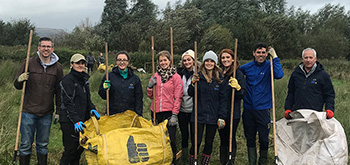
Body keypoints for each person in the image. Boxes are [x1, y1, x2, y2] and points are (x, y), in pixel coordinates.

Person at [14, 37, 63, 165]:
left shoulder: (58, 68)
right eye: (43, 46)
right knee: (25, 144)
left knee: (43, 145)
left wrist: (58, 111)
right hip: (28, 111)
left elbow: (59, 91)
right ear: (38, 48)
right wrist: (20, 79)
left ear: (52, 49)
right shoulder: (28, 63)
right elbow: (17, 86)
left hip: (46, 113)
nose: (46, 49)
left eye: (48, 46)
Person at [239, 43, 284, 165]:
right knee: (250, 137)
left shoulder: (269, 66)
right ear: (254, 53)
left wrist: (275, 57)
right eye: (258, 52)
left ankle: (263, 161)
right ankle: (252, 161)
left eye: (263, 52)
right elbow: (236, 73)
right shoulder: (246, 67)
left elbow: (279, 75)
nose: (261, 55)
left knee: (264, 139)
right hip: (248, 108)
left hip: (263, 109)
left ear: (266, 54)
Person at [188, 50, 229, 165]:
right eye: (207, 61)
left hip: (213, 115)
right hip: (198, 115)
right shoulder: (198, 77)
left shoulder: (220, 80)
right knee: (196, 142)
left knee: (209, 142)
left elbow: (223, 100)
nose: (209, 63)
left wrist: (221, 117)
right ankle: (193, 162)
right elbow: (190, 93)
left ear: (215, 63)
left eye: (212, 61)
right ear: (204, 63)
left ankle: (205, 163)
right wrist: (192, 84)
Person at [59, 54, 101, 165]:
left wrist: (92, 108)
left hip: (82, 119)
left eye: (82, 63)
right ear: (71, 64)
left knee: (79, 149)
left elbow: (87, 98)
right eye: (77, 63)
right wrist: (76, 120)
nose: (80, 65)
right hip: (69, 120)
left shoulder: (84, 79)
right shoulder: (67, 80)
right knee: (70, 150)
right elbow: (68, 102)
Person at [146, 50, 183, 164]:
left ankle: (172, 161)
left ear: (169, 61)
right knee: (157, 138)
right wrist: (149, 86)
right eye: (161, 60)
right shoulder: (155, 76)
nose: (163, 62)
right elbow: (150, 95)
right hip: (156, 111)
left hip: (169, 112)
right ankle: (159, 159)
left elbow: (178, 97)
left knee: (170, 139)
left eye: (165, 60)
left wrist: (174, 114)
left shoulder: (176, 77)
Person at [284, 48, 335, 119]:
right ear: (302, 59)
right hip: (298, 114)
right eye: (306, 57)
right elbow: (291, 93)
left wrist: (329, 109)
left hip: (315, 114)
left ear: (315, 59)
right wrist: (288, 108)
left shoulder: (323, 75)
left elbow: (329, 94)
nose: (308, 60)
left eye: (311, 57)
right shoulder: (295, 74)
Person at [218, 49, 246, 164]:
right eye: (223, 58)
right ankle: (222, 160)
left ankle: (230, 159)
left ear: (233, 59)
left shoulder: (237, 73)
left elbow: (242, 93)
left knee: (230, 137)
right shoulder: (219, 73)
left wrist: (238, 88)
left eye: (228, 57)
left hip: (233, 112)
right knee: (222, 138)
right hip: (220, 112)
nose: (225, 60)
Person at [98, 51, 143, 116]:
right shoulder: (109, 76)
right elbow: (102, 95)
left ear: (128, 62)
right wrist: (105, 89)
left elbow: (139, 99)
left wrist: (139, 114)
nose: (122, 62)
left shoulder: (135, 79)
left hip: (130, 115)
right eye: (119, 60)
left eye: (124, 60)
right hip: (113, 114)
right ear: (116, 62)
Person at [176, 49, 199, 163]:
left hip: (194, 109)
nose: (186, 62)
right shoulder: (179, 73)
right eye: (184, 60)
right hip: (182, 108)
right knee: (184, 134)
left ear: (194, 60)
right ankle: (184, 158)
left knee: (194, 135)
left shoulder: (199, 73)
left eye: (189, 59)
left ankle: (193, 157)